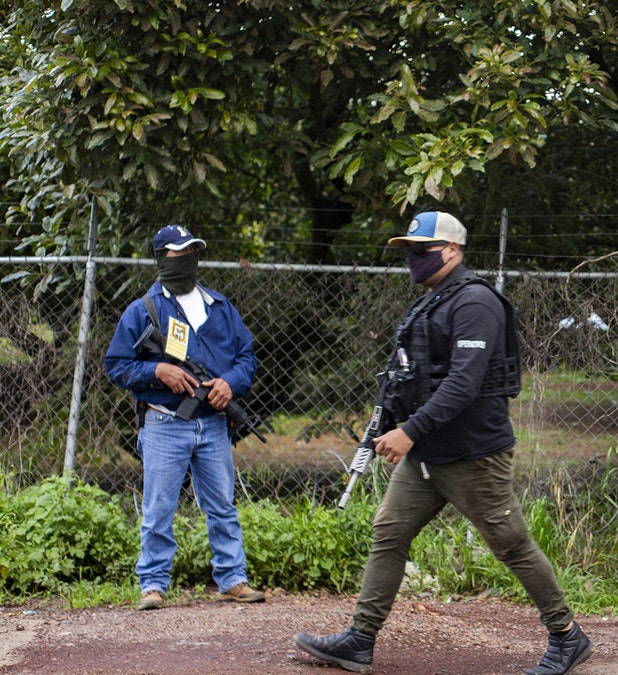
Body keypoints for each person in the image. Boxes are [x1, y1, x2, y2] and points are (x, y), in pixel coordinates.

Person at [293, 212, 592, 675]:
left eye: (421, 249)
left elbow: (462, 383)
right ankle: (359, 640)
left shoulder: (475, 302)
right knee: (388, 532)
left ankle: (567, 636)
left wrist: (409, 431)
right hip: (428, 454)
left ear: (452, 249)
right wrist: (391, 426)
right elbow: (410, 376)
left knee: (511, 545)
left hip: (473, 454)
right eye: (408, 250)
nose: (412, 258)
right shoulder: (433, 300)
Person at [105, 224, 264, 611]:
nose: (187, 258)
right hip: (163, 423)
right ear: (162, 258)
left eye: (192, 251)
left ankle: (232, 579)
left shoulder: (220, 307)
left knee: (222, 505)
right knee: (159, 508)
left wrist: (230, 383)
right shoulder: (142, 311)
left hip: (212, 424)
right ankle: (154, 585)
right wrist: (158, 372)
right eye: (178, 253)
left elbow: (248, 357)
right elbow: (116, 365)